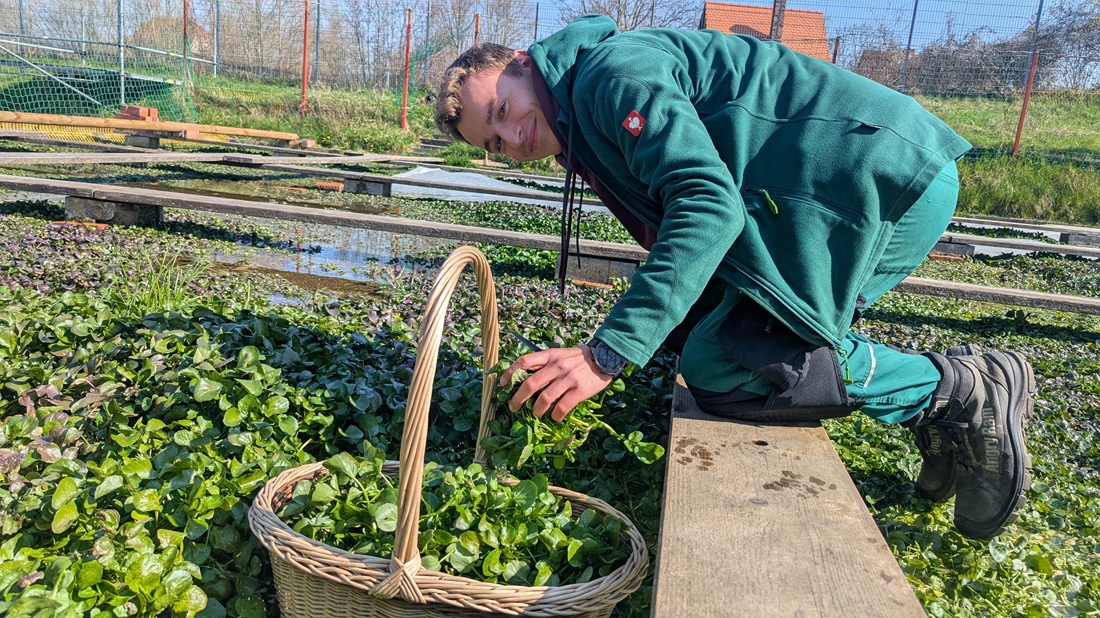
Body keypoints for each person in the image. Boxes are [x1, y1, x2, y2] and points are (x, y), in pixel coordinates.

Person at [435, 14, 1033, 540]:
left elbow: (707, 205)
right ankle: (936, 406)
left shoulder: (610, 76)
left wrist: (605, 355)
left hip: (880, 182)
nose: (513, 137)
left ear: (522, 63)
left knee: (731, 363)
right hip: (841, 191)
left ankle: (956, 390)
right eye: (495, 143)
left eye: (502, 111)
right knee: (708, 334)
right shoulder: (579, 116)